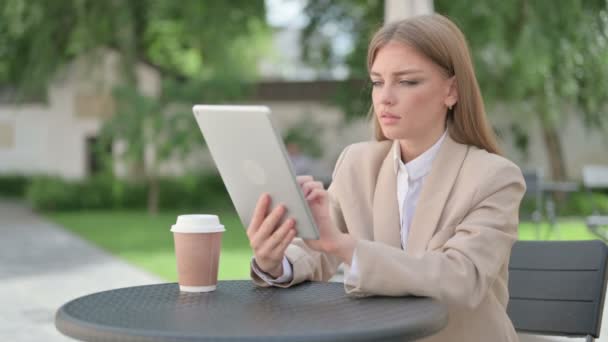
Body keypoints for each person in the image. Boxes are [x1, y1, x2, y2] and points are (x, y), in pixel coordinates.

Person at [247, 14, 525, 342]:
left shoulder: (494, 178)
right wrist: (276, 260)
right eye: (378, 81)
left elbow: (460, 279)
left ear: (451, 90)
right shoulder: (357, 163)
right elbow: (318, 250)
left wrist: (344, 245)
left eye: (407, 81)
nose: (385, 97)